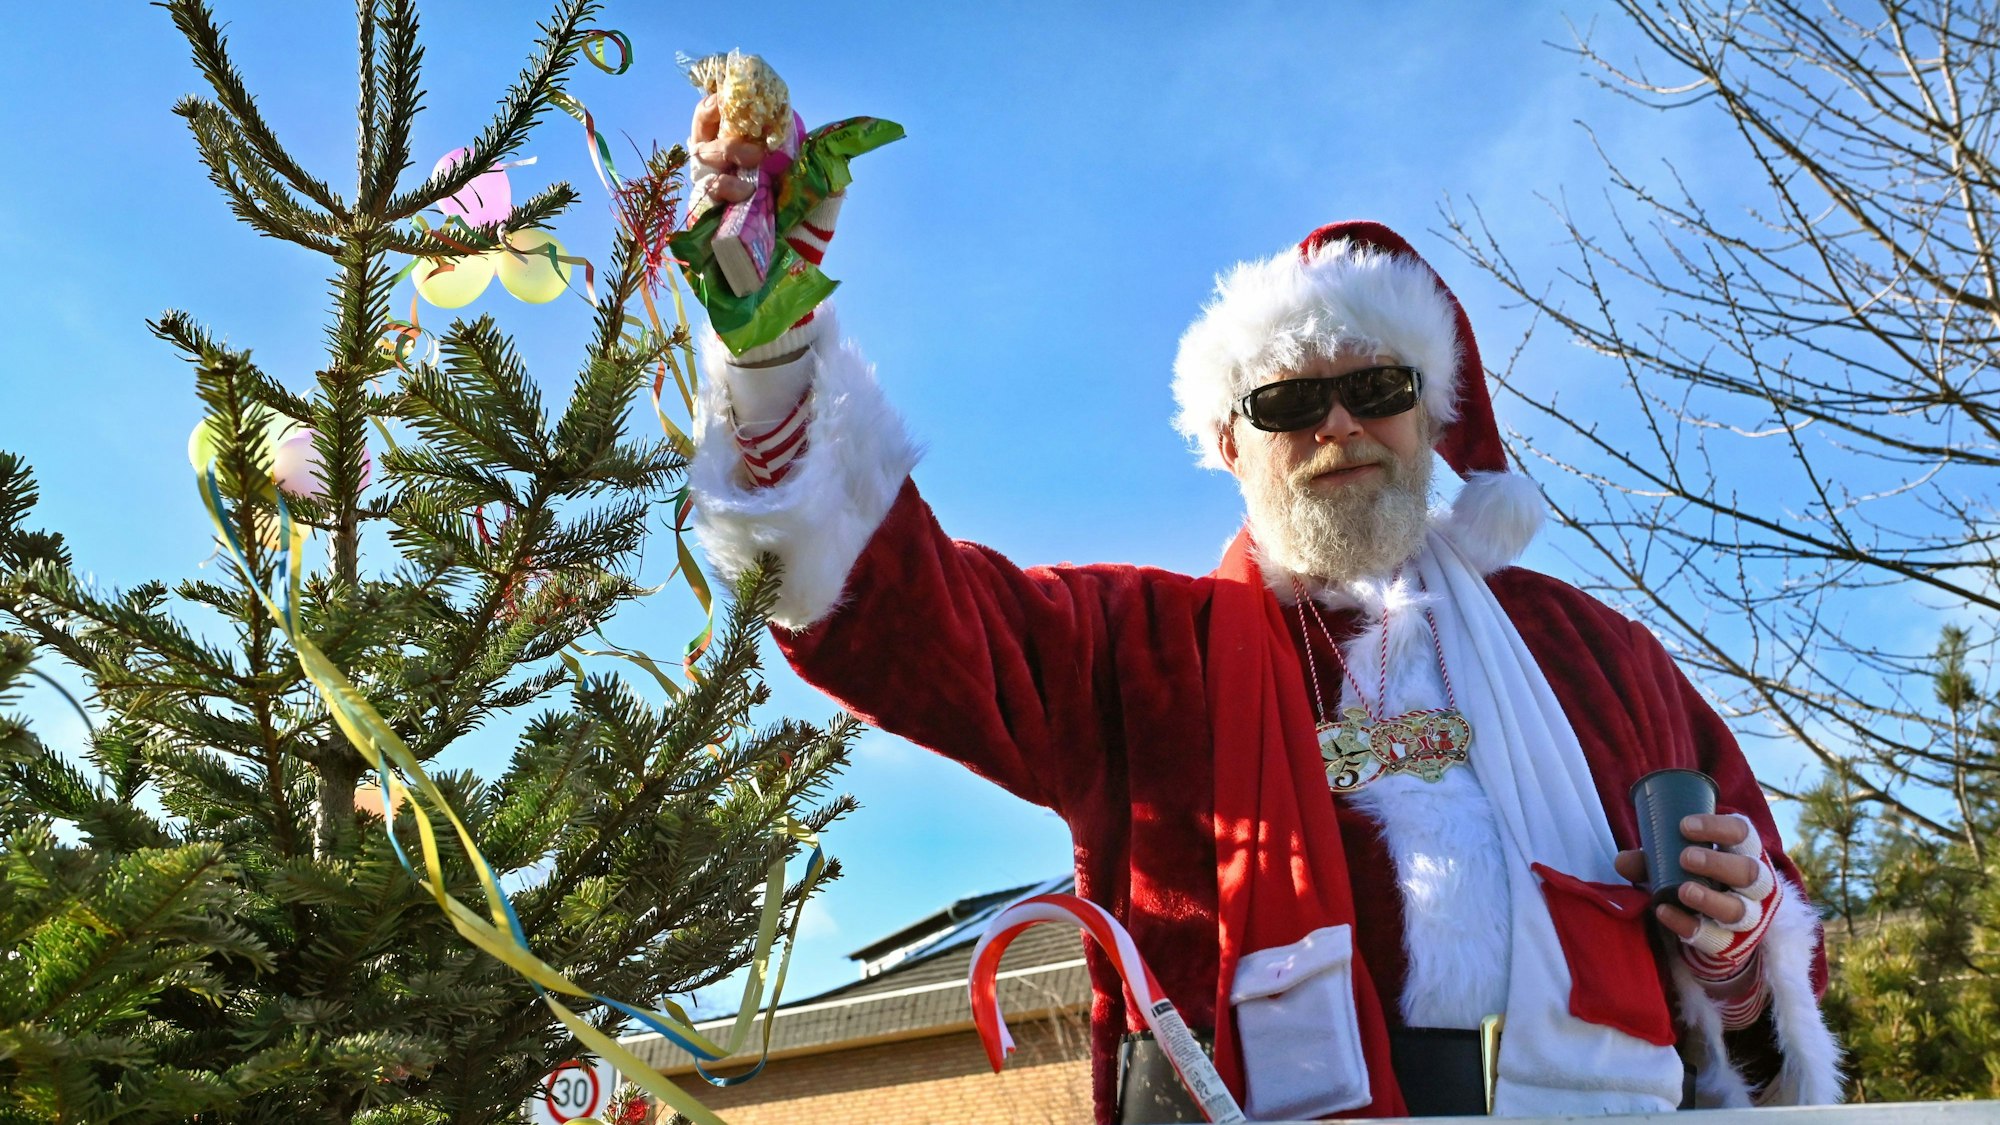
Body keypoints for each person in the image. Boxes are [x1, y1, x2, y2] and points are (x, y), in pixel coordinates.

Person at [684, 99, 1841, 1121]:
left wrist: (1737, 955)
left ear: (1429, 421)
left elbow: (1766, 963)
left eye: (1374, 388)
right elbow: (908, 625)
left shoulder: (1597, 658)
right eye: (1288, 398)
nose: (1336, 426)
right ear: (1231, 444)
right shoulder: (1141, 654)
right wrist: (778, 362)